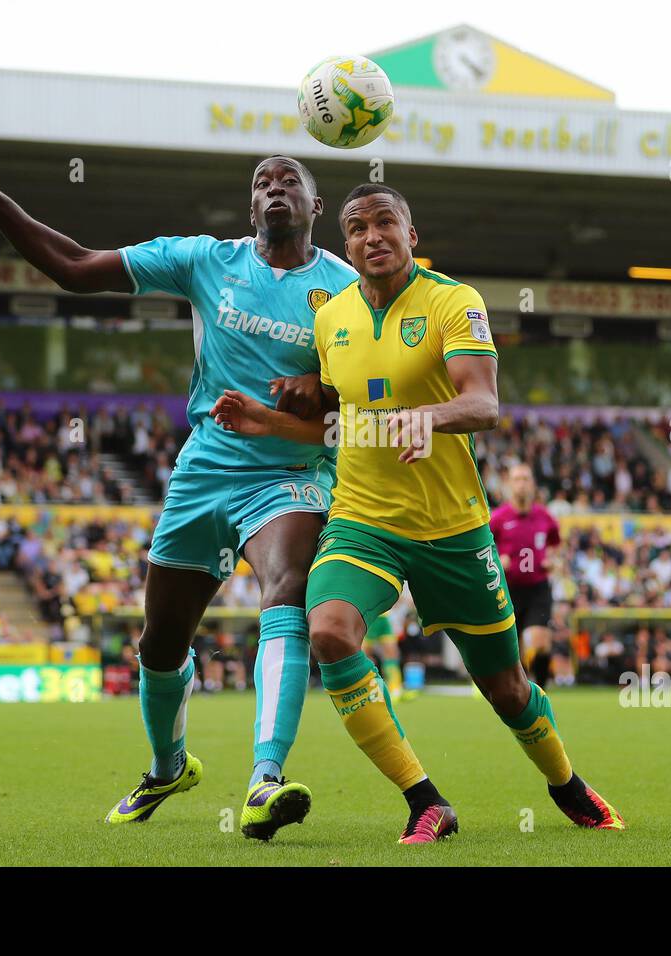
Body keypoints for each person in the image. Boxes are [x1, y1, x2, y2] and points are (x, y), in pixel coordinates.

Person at [0, 148, 355, 840]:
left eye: (291, 182)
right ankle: (168, 767)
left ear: (314, 205)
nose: (274, 189)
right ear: (251, 209)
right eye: (261, 183)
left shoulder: (343, 288)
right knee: (160, 643)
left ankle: (265, 778)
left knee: (288, 588)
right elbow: (73, 268)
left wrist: (328, 388)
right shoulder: (204, 261)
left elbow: (380, 388)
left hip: (291, 473)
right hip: (205, 470)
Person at [211, 183, 625, 843]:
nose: (371, 236)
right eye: (357, 228)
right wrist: (264, 421)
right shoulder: (331, 317)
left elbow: (484, 405)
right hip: (363, 521)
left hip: (453, 531)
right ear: (344, 243)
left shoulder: (452, 302)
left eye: (385, 224)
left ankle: (566, 783)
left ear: (412, 236)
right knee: (330, 632)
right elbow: (339, 426)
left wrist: (424, 417)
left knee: (509, 690)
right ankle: (425, 800)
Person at [490, 464, 561, 686]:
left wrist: (552, 560)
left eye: (526, 479)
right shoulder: (499, 518)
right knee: (513, 648)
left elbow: (555, 543)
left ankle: (541, 691)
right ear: (509, 485)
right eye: (517, 479)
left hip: (537, 588)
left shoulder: (544, 516)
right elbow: (484, 549)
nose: (522, 484)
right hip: (508, 590)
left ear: (533, 484)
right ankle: (522, 692)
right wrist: (498, 562)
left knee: (539, 642)